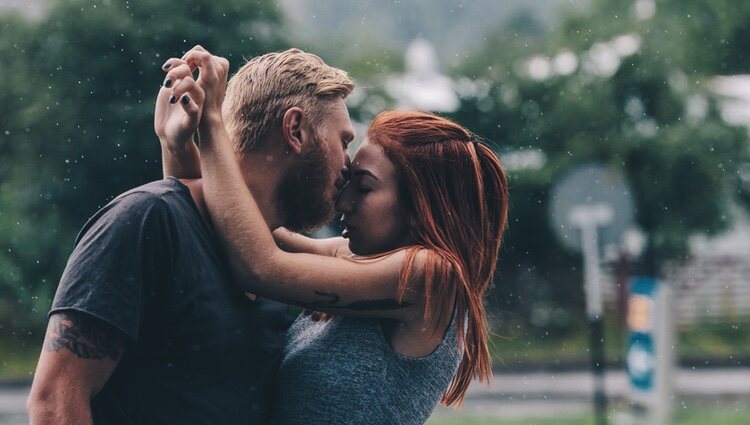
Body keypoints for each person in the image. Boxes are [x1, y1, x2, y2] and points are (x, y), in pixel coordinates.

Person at [160, 48, 509, 424]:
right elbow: (235, 226)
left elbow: (259, 267)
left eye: (364, 187)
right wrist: (177, 144)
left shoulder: (430, 277)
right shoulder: (359, 260)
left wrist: (212, 121)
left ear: (420, 204)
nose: (343, 200)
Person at [26, 46, 356, 424]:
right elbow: (55, 403)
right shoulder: (148, 220)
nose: (349, 164)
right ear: (295, 130)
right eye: (344, 142)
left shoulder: (273, 268)